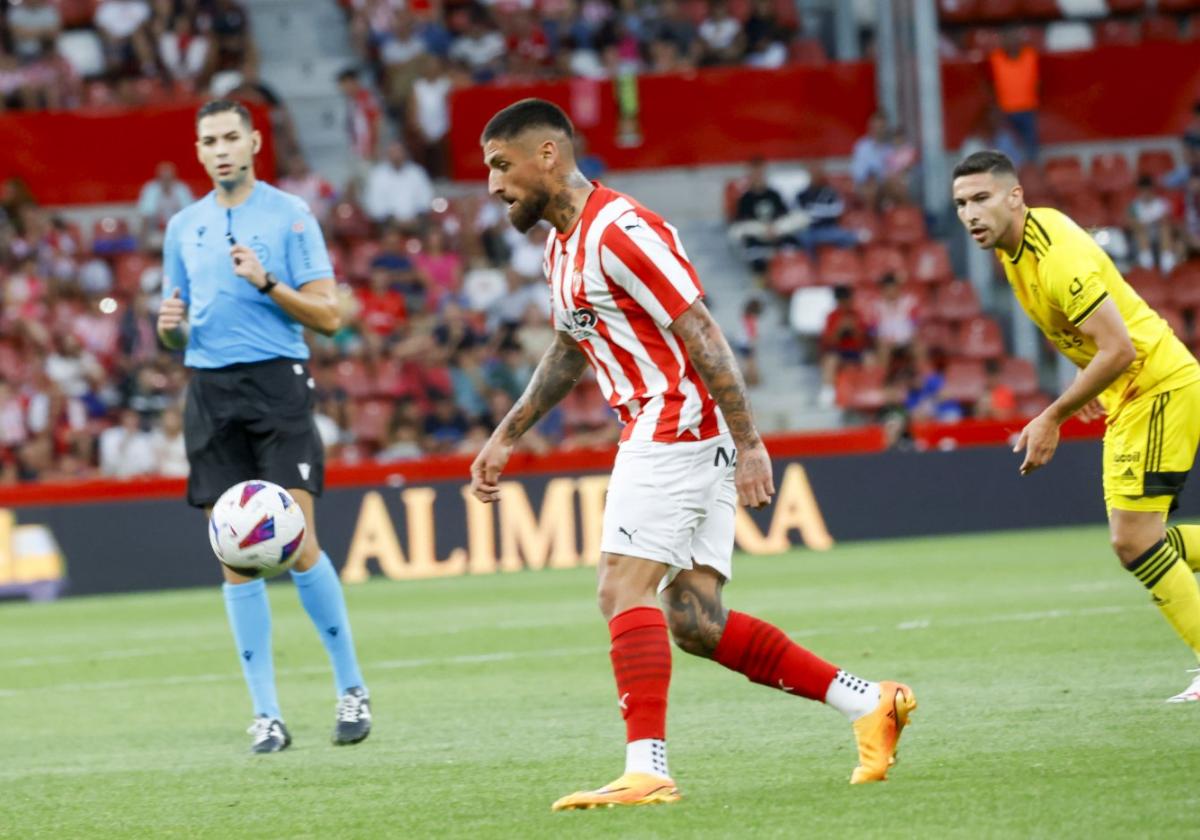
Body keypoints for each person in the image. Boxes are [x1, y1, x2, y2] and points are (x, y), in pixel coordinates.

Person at [472, 98, 916, 810]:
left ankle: (646, 768)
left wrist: (750, 443)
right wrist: (507, 434)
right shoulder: (561, 245)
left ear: (547, 155)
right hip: (673, 426)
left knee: (621, 589)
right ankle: (870, 701)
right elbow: (568, 346)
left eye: (501, 166)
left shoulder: (622, 232)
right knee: (696, 621)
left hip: (673, 421)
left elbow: (702, 329)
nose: (493, 185)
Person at [156, 100, 372, 752]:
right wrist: (169, 333)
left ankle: (351, 689)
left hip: (278, 384)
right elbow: (178, 328)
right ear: (198, 151)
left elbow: (331, 317)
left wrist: (269, 281)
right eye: (209, 141)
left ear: (253, 141)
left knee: (295, 542)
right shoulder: (182, 227)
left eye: (230, 137)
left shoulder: (290, 216)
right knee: (235, 557)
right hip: (211, 393)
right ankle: (267, 714)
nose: (221, 149)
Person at [953, 150, 1200, 702]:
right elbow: (1077, 331)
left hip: (1156, 387)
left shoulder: (1055, 254)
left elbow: (1120, 347)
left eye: (981, 199)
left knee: (1133, 542)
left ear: (1014, 196)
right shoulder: (1014, 247)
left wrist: (1053, 414)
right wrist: (1085, 379)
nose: (970, 214)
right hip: (1131, 393)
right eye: (962, 204)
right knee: (1140, 541)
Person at [988, 30, 1039, 163]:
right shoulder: (996, 58)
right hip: (1006, 111)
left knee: (1031, 147)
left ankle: (1031, 172)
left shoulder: (1030, 56)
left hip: (1028, 109)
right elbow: (990, 86)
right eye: (1009, 38)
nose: (1012, 42)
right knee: (1005, 146)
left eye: (1015, 38)